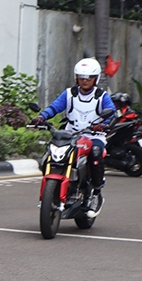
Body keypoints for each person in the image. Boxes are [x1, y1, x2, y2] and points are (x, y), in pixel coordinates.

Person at [30, 58, 116, 217]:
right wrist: (41, 118)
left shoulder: (101, 96)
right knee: (51, 152)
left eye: (89, 78)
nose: (85, 81)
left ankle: (96, 193)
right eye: (81, 77)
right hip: (71, 134)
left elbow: (111, 112)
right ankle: (57, 187)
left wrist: (105, 124)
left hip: (93, 135)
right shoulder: (69, 94)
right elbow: (55, 107)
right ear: (77, 78)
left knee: (96, 153)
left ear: (95, 79)